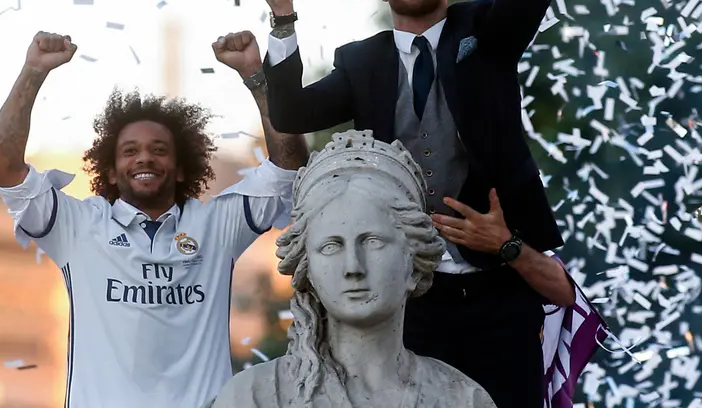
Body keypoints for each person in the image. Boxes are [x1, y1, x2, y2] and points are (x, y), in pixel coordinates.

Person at [257, 0, 575, 408]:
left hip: (501, 280)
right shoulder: (362, 62)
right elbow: (290, 111)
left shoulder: (485, 31)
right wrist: (283, 17)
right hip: (411, 293)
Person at [0, 29, 308, 408]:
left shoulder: (217, 226)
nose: (144, 158)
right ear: (109, 171)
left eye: (159, 150)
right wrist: (33, 71)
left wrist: (255, 75)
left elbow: (290, 166)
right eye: (130, 151)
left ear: (182, 169)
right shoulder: (78, 227)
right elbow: (3, 167)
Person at [208, 130, 496, 408]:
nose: (352, 267)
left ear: (414, 262)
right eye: (331, 246)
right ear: (307, 268)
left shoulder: (462, 399)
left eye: (372, 242)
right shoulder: (253, 398)